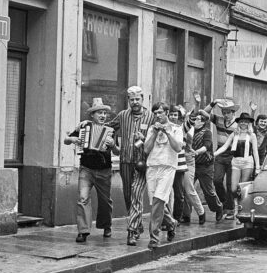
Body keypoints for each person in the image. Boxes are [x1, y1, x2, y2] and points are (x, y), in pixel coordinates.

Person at [64, 98, 120, 243]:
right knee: (83, 198)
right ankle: (83, 231)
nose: (102, 116)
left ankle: (106, 225)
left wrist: (113, 145)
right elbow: (66, 139)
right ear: (92, 115)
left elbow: (118, 152)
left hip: (104, 170)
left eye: (104, 113)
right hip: (86, 169)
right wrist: (73, 140)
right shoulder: (83, 126)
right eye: (99, 113)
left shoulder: (111, 131)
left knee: (105, 201)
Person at [107, 86, 155, 246]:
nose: (134, 102)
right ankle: (138, 224)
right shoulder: (122, 115)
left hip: (142, 163)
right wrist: (111, 145)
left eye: (137, 99)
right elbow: (108, 128)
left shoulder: (151, 117)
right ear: (128, 100)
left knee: (135, 194)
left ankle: (132, 231)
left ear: (143, 99)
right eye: (131, 99)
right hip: (125, 161)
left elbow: (157, 139)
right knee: (128, 196)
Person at [144, 102, 183, 249]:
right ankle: (171, 222)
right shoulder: (151, 129)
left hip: (168, 167)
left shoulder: (177, 128)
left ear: (166, 112)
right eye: (155, 113)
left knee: (159, 201)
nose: (157, 115)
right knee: (155, 202)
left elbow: (178, 148)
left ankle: (154, 236)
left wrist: (167, 132)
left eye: (160, 112)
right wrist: (154, 133)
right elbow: (146, 150)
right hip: (152, 167)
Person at [214, 112, 260, 219]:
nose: (243, 123)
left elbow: (255, 152)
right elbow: (225, 146)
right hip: (235, 162)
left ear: (248, 123)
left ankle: (241, 213)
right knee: (233, 189)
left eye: (245, 121)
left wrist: (257, 167)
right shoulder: (234, 134)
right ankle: (235, 210)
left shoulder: (252, 135)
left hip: (247, 162)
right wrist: (214, 154)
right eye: (241, 121)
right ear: (238, 123)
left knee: (243, 189)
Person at [204, 98, 240, 219]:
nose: (225, 115)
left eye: (228, 112)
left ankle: (230, 209)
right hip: (219, 153)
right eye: (224, 112)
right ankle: (224, 202)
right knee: (217, 180)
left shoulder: (237, 125)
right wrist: (213, 103)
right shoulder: (219, 120)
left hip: (232, 154)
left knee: (230, 184)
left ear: (233, 112)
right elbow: (204, 114)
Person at [191, 112, 224, 221]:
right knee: (187, 189)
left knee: (208, 192)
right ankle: (186, 214)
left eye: (197, 119)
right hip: (191, 165)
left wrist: (196, 152)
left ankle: (218, 208)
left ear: (203, 122)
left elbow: (207, 146)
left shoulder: (207, 132)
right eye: (194, 119)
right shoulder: (190, 131)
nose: (195, 121)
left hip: (205, 165)